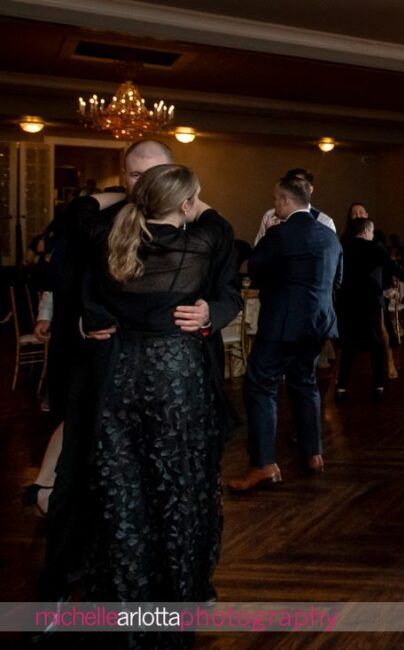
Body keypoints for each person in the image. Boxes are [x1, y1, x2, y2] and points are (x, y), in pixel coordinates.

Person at [80, 164, 239, 614]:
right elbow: (218, 223)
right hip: (176, 375)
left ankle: (131, 594)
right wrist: (187, 199)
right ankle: (180, 591)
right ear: (188, 205)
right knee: (179, 485)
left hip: (119, 374)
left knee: (123, 485)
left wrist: (128, 194)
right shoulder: (202, 240)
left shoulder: (108, 238)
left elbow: (80, 212)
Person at [228, 174, 342, 492]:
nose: (274, 205)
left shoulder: (278, 234)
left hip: (282, 321)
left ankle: (263, 465)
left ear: (285, 201)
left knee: (260, 385)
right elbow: (338, 278)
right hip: (319, 321)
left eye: (276, 200)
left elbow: (255, 270)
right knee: (305, 382)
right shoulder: (330, 236)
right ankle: (313, 453)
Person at [336, 218, 404, 399]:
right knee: (376, 343)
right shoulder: (373, 248)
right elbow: (395, 269)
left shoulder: (343, 247)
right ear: (365, 231)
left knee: (348, 344)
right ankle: (378, 384)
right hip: (369, 301)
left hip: (347, 302)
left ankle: (341, 387)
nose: (371, 235)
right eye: (371, 231)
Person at [253, 168, 335, 244]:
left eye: (299, 186)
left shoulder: (325, 221)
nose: (295, 190)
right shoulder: (270, 216)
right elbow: (258, 251)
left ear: (310, 189)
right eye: (290, 186)